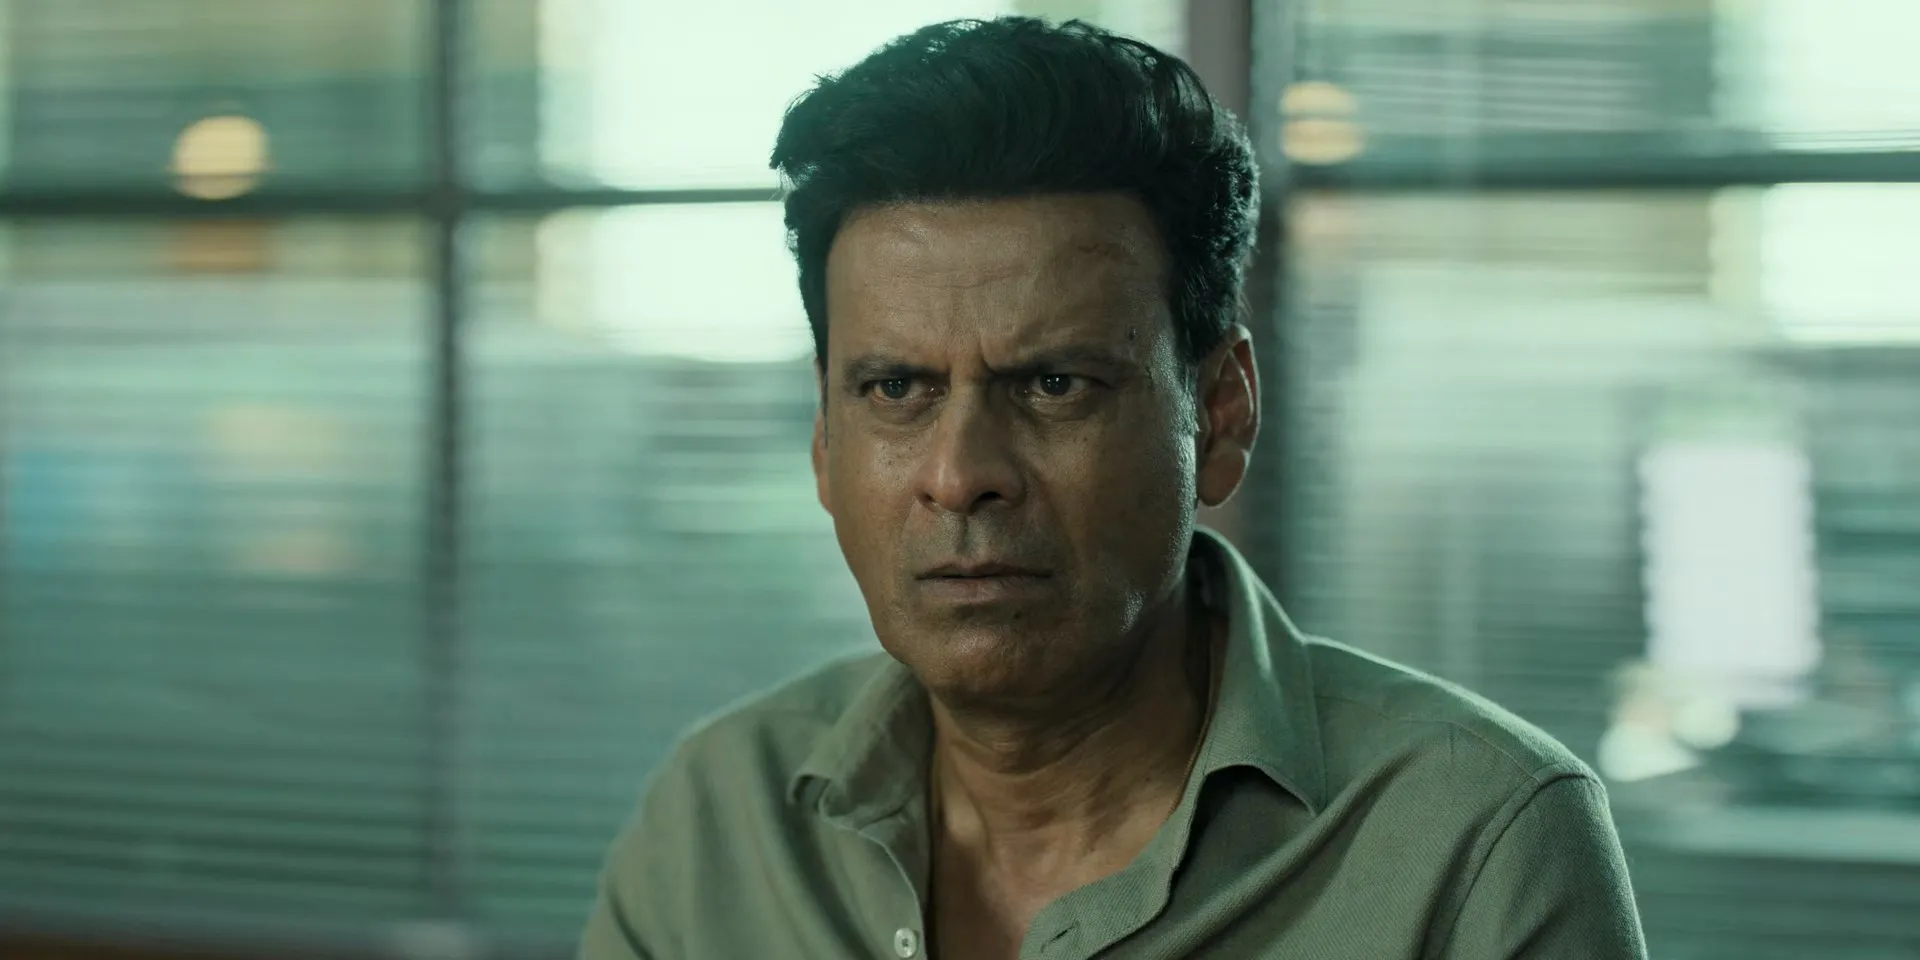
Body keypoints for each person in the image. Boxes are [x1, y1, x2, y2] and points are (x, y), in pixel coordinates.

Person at [579, 17, 1645, 960]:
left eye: (1054, 385)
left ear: (1219, 415)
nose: (961, 476)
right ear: (824, 439)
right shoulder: (720, 824)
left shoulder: (1474, 846)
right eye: (896, 388)